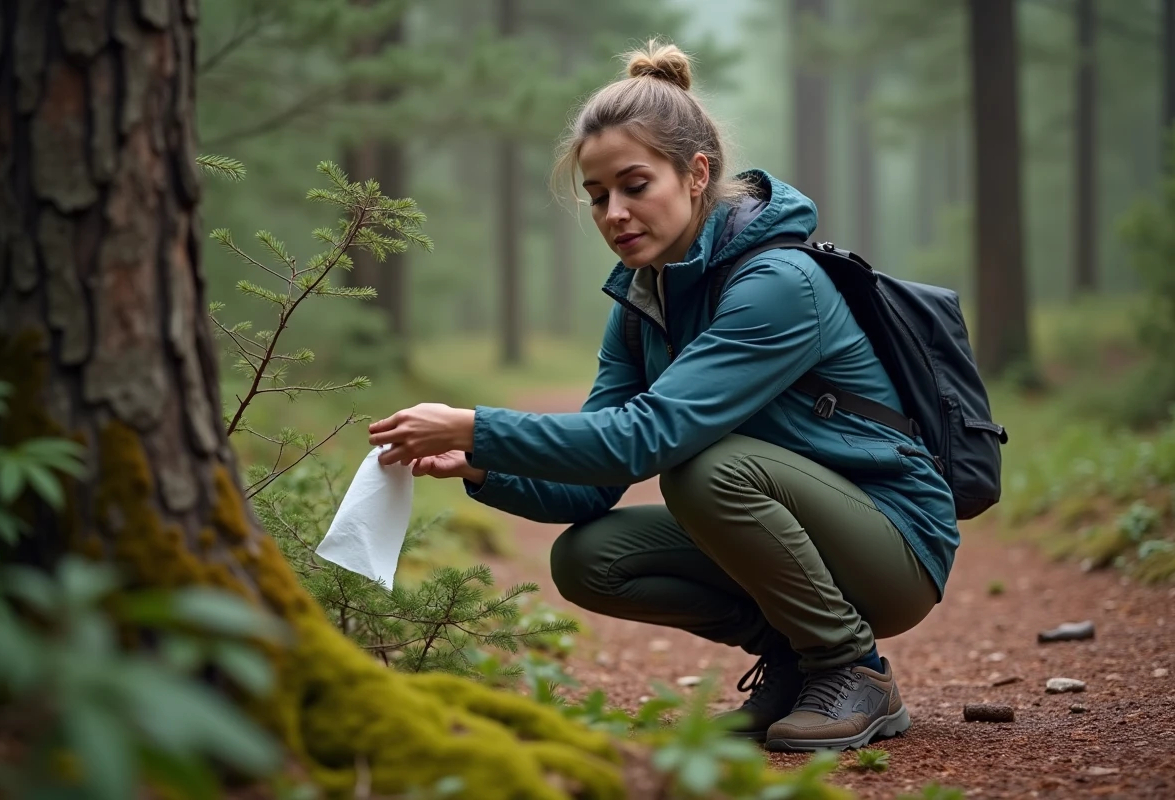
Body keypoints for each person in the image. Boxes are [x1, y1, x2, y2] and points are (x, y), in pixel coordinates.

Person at [366, 39, 958, 753]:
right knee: (589, 560)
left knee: (705, 468)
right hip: (805, 530)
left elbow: (645, 438)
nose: (613, 212)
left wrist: (475, 422)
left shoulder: (777, 286)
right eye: (596, 196)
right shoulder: (644, 304)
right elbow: (594, 487)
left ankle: (851, 669)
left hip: (897, 541)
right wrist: (480, 462)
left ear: (696, 173)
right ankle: (801, 662)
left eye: (634, 185)